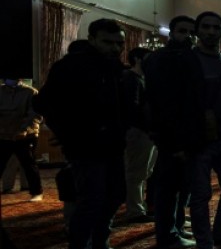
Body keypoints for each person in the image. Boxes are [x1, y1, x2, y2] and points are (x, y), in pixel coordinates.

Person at [152, 12, 221, 249]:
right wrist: (175, 142)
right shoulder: (183, 61)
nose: (211, 31)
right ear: (198, 32)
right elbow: (170, 104)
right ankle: (205, 242)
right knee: (200, 195)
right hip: (197, 141)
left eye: (216, 27)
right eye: (206, 27)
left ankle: (220, 234)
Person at [35, 19, 128, 249]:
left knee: (115, 195)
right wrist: (67, 133)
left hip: (112, 144)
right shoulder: (71, 66)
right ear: (92, 39)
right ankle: (81, 244)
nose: (115, 48)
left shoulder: (115, 67)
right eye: (108, 42)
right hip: (86, 147)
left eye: (119, 43)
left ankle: (99, 241)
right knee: (92, 201)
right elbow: (44, 103)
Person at [144, 15, 197, 249]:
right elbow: (165, 103)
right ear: (172, 33)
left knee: (180, 188)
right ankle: (167, 235)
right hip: (170, 135)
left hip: (181, 134)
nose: (187, 36)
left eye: (190, 32)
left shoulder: (186, 57)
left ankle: (175, 230)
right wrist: (174, 142)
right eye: (182, 31)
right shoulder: (162, 59)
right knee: (168, 189)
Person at [122, 47, 155, 222]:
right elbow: (133, 109)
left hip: (145, 131)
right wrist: (147, 127)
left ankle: (138, 207)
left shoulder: (142, 78)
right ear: (137, 59)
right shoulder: (131, 78)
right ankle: (134, 211)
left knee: (144, 171)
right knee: (136, 172)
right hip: (138, 131)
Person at [0, 77, 43, 202]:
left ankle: (36, 192)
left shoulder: (31, 92)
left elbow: (35, 114)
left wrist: (23, 130)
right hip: (4, 134)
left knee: (29, 164)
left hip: (26, 135)